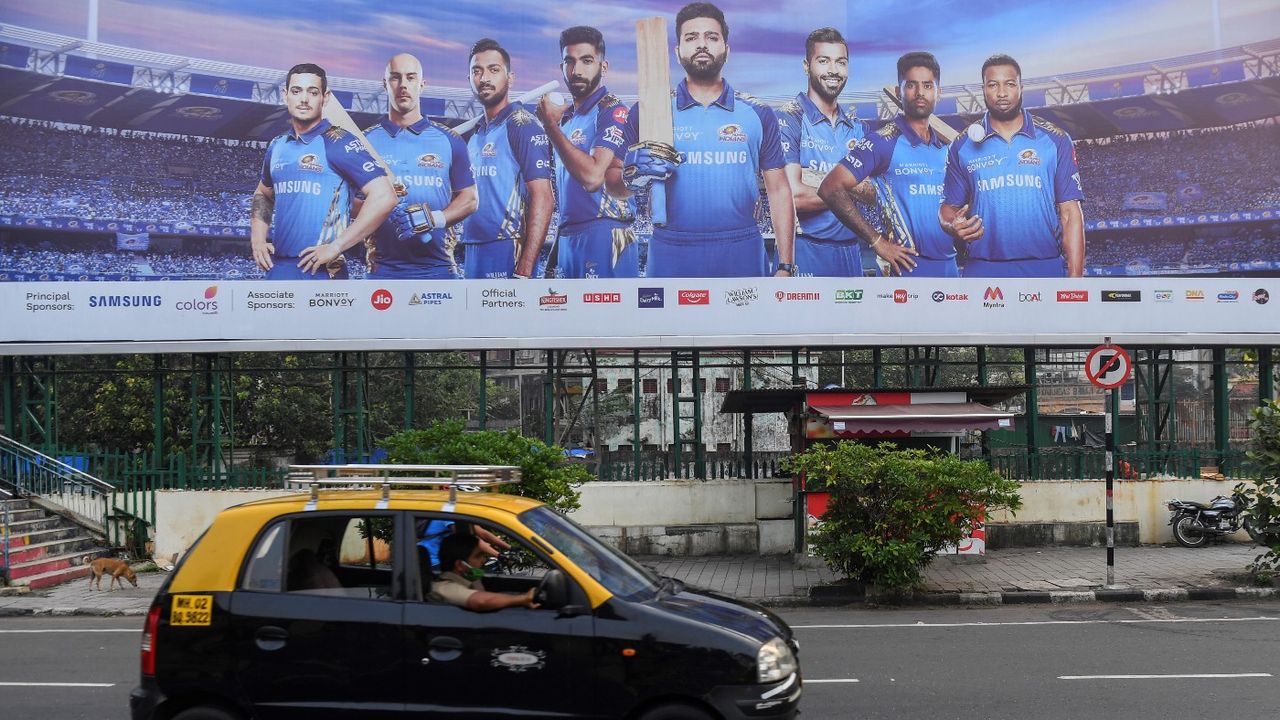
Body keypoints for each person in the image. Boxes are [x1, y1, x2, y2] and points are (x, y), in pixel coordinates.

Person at [616, 2, 795, 278]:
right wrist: (629, 177)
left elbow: (780, 191)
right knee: (669, 323)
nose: (702, 44)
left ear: (727, 50)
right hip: (671, 251)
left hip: (741, 250)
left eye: (711, 37)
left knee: (747, 324)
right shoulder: (649, 110)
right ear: (677, 53)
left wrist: (785, 265)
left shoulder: (757, 113)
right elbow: (613, 186)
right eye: (691, 38)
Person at [939, 53, 1086, 277]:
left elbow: (1070, 214)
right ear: (983, 89)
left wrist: (1076, 279)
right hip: (983, 269)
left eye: (1009, 84)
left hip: (1044, 267)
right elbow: (948, 209)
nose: (1001, 93)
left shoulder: (1055, 139)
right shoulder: (961, 145)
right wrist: (953, 225)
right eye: (993, 85)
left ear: (1021, 87)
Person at [249, 63, 397, 279]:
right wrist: (258, 239)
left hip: (324, 270)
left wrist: (336, 247)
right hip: (278, 267)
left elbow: (385, 196)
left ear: (325, 98)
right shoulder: (277, 145)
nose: (304, 99)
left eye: (313, 92)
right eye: (296, 91)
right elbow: (263, 194)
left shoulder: (339, 141)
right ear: (285, 95)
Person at [819, 51, 952, 276]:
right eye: (911, 85)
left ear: (938, 93)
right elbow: (830, 187)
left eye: (928, 86)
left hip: (949, 267)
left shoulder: (946, 149)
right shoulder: (882, 141)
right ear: (899, 92)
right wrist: (877, 241)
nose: (920, 93)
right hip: (906, 270)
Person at [363, 53, 477, 279]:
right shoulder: (364, 143)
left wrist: (434, 219)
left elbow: (470, 199)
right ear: (385, 84)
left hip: (439, 269)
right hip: (381, 271)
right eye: (395, 77)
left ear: (422, 85)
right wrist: (382, 207)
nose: (403, 85)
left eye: (411, 77)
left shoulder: (450, 140)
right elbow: (349, 201)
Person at [536, 26, 637, 278]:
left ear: (603, 67)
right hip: (569, 235)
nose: (576, 70)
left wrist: (549, 127)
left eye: (587, 61)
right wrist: (556, 253)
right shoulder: (566, 119)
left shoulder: (611, 110)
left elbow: (593, 178)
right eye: (569, 62)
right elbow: (570, 198)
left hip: (605, 233)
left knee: (607, 317)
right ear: (562, 68)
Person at [776, 28, 874, 277]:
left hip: (852, 253)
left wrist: (817, 180)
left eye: (841, 62)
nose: (833, 70)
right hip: (806, 252)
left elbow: (874, 194)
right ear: (806, 66)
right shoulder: (789, 118)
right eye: (824, 61)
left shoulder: (858, 128)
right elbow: (793, 197)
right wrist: (849, 185)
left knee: (854, 318)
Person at [462, 39, 555, 279]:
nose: (484, 78)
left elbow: (544, 198)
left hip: (507, 247)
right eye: (477, 71)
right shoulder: (476, 134)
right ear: (470, 79)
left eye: (494, 70)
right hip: (472, 246)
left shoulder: (521, 124)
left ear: (510, 78)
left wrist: (524, 268)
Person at [429, 532, 539, 611]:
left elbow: (481, 592)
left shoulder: (465, 579)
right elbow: (481, 601)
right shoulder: (445, 588)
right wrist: (523, 598)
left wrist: (476, 577)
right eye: (478, 556)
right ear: (460, 565)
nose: (484, 560)